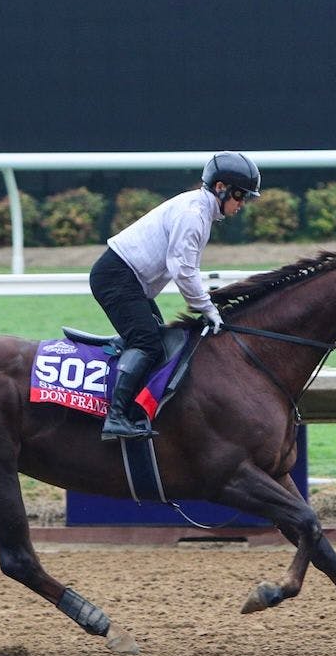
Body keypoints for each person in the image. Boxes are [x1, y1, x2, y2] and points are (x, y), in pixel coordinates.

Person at [89, 151, 261, 440]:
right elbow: (182, 269)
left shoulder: (200, 210)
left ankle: (134, 410)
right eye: (240, 195)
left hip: (127, 278)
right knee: (148, 343)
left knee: (158, 341)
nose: (242, 204)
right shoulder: (194, 214)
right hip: (117, 277)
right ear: (220, 188)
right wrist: (207, 308)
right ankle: (115, 417)